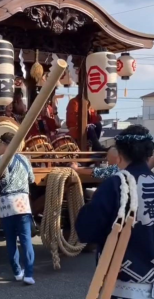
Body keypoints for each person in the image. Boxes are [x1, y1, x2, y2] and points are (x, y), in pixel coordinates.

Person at [75, 125, 154, 299]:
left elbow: (86, 231)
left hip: (124, 285)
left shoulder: (116, 185)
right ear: (149, 154)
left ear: (119, 155)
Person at [0, 132, 36, 285]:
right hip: (23, 203)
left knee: (11, 240)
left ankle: (17, 272)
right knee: (26, 240)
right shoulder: (25, 159)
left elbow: (2, 182)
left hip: (7, 204)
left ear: (5, 144)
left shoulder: (2, 159)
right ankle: (29, 274)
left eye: (0, 144)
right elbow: (31, 179)